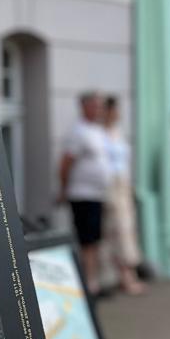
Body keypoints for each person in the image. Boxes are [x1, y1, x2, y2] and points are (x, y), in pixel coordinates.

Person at [59, 92, 111, 294]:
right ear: (84, 106)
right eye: (95, 105)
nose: (98, 110)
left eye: (100, 106)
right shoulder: (77, 131)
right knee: (86, 240)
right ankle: (88, 285)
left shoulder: (97, 130)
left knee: (95, 239)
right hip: (82, 194)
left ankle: (94, 282)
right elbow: (65, 163)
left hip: (97, 194)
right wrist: (64, 189)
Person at [100, 96, 146, 295]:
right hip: (108, 186)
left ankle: (127, 273)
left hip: (122, 185)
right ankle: (120, 275)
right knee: (114, 230)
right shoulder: (100, 134)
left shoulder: (117, 133)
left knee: (126, 229)